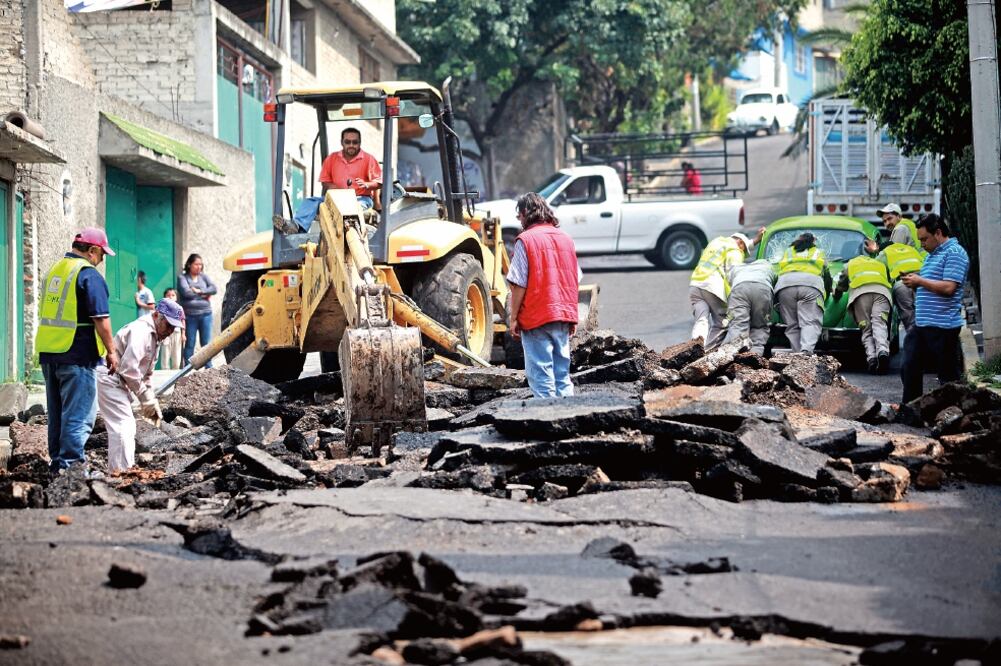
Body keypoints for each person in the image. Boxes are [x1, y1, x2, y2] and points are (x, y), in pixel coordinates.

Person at [37, 227, 119, 475]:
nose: (102, 260)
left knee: (58, 414)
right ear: (92, 251)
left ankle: (57, 465)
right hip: (77, 354)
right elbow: (101, 318)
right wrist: (112, 351)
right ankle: (71, 467)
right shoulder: (88, 274)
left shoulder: (55, 270)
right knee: (79, 414)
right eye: (102, 254)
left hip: (50, 353)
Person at [506, 192, 581, 398]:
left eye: (519, 216)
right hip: (562, 316)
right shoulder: (566, 239)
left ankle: (547, 424)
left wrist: (514, 318)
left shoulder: (525, 240)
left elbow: (519, 284)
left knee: (541, 377)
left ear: (524, 213)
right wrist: (572, 316)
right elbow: (574, 280)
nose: (518, 220)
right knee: (562, 375)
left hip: (536, 316)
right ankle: (570, 421)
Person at [97, 299, 184, 474]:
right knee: (123, 425)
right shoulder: (141, 332)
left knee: (125, 426)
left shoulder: (155, 336)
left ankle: (121, 470)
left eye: (174, 328)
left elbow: (146, 374)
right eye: (168, 325)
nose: (170, 331)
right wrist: (144, 396)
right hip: (111, 378)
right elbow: (128, 368)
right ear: (157, 315)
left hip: (119, 381)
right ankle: (120, 473)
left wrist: (151, 398)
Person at [900, 214, 969, 404]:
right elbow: (934, 282)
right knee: (909, 366)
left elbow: (948, 288)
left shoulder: (954, 253)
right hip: (923, 324)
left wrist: (920, 280)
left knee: (947, 376)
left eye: (924, 239)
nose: (922, 244)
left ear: (938, 233)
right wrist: (916, 283)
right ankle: (911, 409)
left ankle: (952, 414)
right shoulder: (932, 256)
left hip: (943, 327)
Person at [689, 229, 764, 347]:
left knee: (701, 320)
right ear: (739, 243)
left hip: (696, 284)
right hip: (712, 286)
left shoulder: (717, 242)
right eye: (743, 250)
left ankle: (695, 348)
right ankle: (708, 352)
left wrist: (756, 240)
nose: (742, 254)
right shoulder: (735, 250)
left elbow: (743, 243)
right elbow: (732, 275)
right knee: (722, 323)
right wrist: (734, 300)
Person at [834, 249, 893, 373]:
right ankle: (883, 351)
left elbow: (841, 285)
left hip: (861, 295)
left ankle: (872, 358)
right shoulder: (879, 264)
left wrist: (836, 295)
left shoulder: (850, 264)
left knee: (866, 328)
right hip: (882, 293)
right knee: (879, 323)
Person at [775, 232, 831, 355]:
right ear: (813, 241)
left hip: (786, 285)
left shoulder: (789, 251)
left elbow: (778, 270)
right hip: (811, 286)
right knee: (810, 321)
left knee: (792, 324)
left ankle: (797, 354)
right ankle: (806, 351)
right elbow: (827, 275)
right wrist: (827, 291)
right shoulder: (817, 252)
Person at [865, 237, 924, 334]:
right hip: (922, 280)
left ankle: (916, 340)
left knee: (908, 314)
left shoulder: (885, 253)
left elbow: (875, 268)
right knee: (924, 311)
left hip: (903, 283)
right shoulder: (910, 249)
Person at [319, 127, 383, 209]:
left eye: (355, 142)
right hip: (335, 198)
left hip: (360, 199)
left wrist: (366, 184)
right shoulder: (332, 158)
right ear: (342, 142)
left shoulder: (369, 159)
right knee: (310, 202)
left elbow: (378, 183)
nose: (351, 145)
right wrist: (338, 190)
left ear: (360, 143)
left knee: (351, 208)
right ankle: (299, 222)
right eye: (347, 142)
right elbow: (325, 181)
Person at [722, 259, 776, 355]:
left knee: (738, 325)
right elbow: (774, 282)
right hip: (763, 288)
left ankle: (733, 355)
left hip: (740, 288)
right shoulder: (767, 265)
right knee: (760, 326)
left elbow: (730, 284)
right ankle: (755, 356)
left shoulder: (736, 267)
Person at [177, 253, 217, 368]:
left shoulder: (204, 277)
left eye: (200, 264)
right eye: (196, 264)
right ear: (189, 265)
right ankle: (187, 369)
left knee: (206, 344)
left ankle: (208, 368)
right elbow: (186, 292)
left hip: (206, 315)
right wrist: (205, 294)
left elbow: (214, 289)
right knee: (190, 343)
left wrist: (199, 291)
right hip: (190, 316)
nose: (199, 267)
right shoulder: (183, 278)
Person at [158, 287, 185, 370]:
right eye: (168, 295)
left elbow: (183, 321)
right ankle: (164, 377)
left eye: (173, 295)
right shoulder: (162, 308)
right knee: (165, 355)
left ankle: (175, 375)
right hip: (165, 334)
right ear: (165, 297)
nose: (170, 297)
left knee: (176, 356)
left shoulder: (179, 308)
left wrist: (183, 334)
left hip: (177, 333)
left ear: (176, 298)